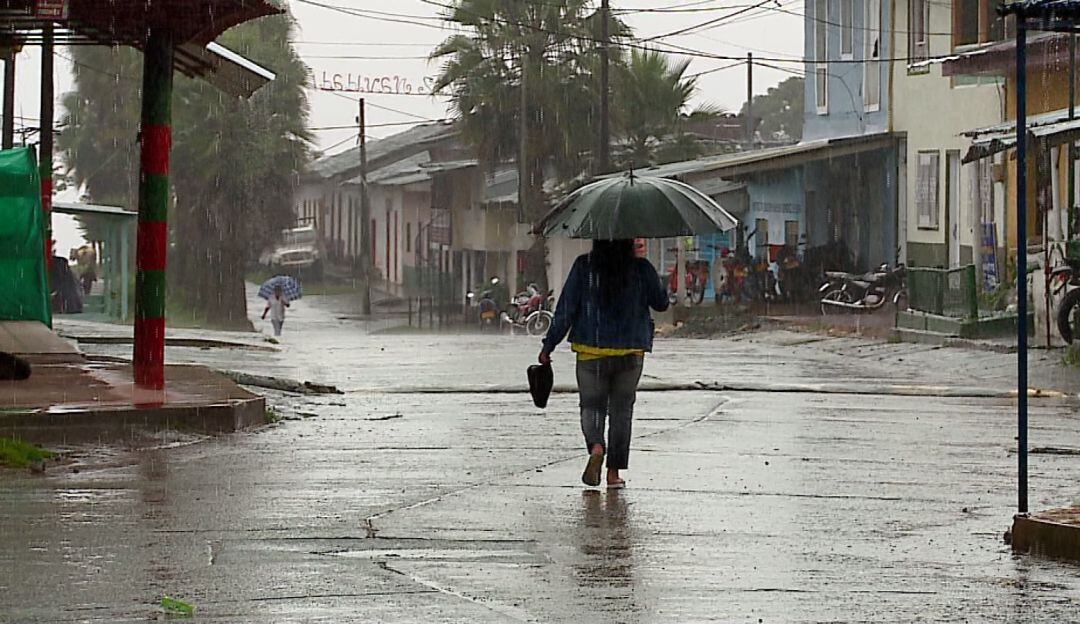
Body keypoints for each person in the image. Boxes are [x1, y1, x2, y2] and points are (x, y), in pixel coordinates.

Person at [539, 239, 669, 488]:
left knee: (591, 406)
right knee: (622, 412)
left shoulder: (584, 266)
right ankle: (613, 473)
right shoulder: (640, 268)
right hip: (630, 352)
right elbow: (661, 303)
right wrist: (646, 269)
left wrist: (549, 345)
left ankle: (597, 447)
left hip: (591, 350)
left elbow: (566, 309)